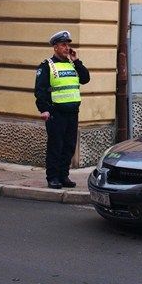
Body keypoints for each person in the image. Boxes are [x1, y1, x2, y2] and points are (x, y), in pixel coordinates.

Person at [34, 31, 91, 189]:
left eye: (68, 45)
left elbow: (85, 78)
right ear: (55, 47)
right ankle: (52, 177)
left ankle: (63, 175)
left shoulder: (72, 64)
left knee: (69, 146)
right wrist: (44, 109)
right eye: (63, 45)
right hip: (56, 113)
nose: (67, 48)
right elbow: (40, 90)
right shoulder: (47, 65)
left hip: (72, 113)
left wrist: (77, 61)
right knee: (56, 146)